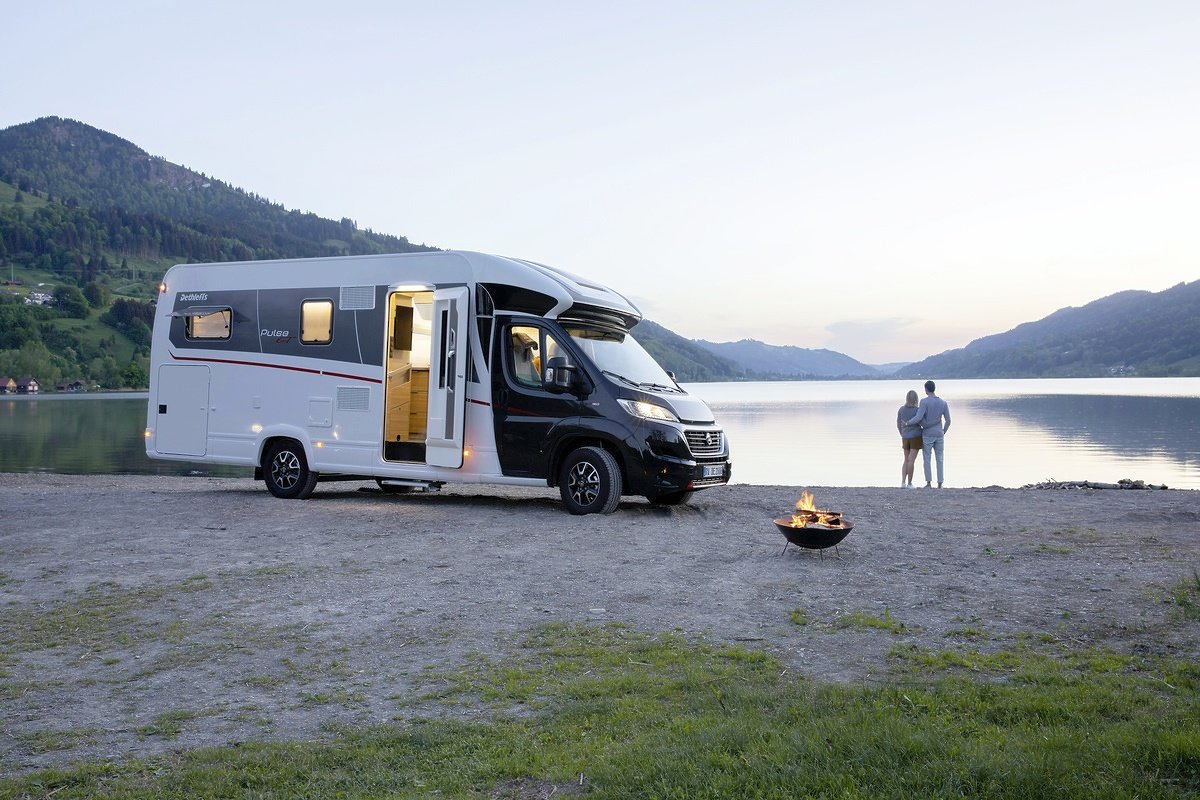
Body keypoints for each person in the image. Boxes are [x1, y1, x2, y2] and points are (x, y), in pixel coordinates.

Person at [908, 380, 951, 487]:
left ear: (926, 389)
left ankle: (928, 482)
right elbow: (948, 421)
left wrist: (908, 423)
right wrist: (943, 431)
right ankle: (940, 483)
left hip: (927, 434)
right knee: (940, 458)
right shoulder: (943, 403)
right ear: (934, 388)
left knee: (927, 458)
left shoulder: (924, 402)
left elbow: (918, 417)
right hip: (939, 434)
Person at [896, 390, 922, 488]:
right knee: (911, 460)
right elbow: (921, 422)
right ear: (916, 399)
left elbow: (898, 423)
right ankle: (910, 483)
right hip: (915, 437)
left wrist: (902, 433)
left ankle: (903, 482)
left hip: (905, 437)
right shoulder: (917, 410)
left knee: (906, 459)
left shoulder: (901, 409)